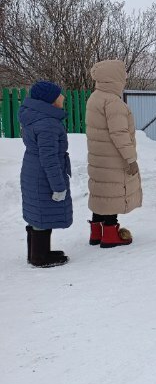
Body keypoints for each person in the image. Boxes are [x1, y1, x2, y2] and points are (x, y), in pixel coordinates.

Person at [85, 60, 142, 248]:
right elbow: (120, 134)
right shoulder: (112, 102)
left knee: (101, 193)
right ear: (114, 77)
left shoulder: (95, 97)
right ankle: (110, 234)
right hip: (114, 158)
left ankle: (96, 232)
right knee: (113, 193)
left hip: (99, 157)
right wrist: (130, 159)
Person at [19, 81, 71, 267]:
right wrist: (58, 186)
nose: (63, 97)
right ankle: (39, 258)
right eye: (59, 94)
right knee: (42, 214)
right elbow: (49, 159)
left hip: (33, 171)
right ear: (50, 100)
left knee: (38, 212)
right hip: (43, 174)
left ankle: (37, 252)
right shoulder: (47, 123)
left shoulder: (35, 117)